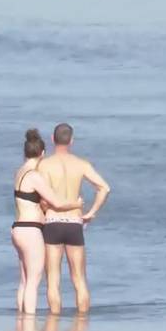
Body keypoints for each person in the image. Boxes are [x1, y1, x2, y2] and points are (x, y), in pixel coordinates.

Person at [37, 123, 110, 315]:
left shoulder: (44, 165)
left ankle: (53, 323)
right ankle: (82, 324)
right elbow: (104, 188)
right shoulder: (81, 164)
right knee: (79, 279)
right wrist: (90, 213)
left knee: (53, 280)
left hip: (53, 222)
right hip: (75, 224)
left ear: (52, 140)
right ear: (72, 141)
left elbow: (42, 199)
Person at [11, 128, 83, 315]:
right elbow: (57, 203)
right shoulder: (35, 176)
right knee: (34, 282)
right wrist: (76, 204)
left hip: (18, 228)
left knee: (24, 280)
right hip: (31, 230)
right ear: (42, 153)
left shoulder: (19, 172)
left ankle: (21, 319)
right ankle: (29, 324)